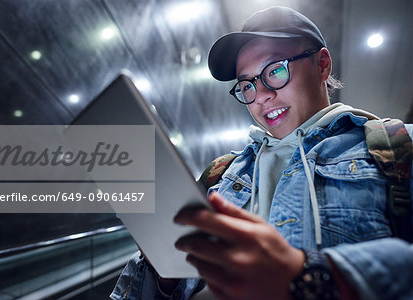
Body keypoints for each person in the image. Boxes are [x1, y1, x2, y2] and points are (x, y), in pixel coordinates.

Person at [111, 6, 413, 300]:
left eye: (275, 70)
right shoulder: (224, 174)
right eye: (247, 84)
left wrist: (307, 275)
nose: (262, 96)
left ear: (322, 65)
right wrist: (161, 271)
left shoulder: (396, 145)